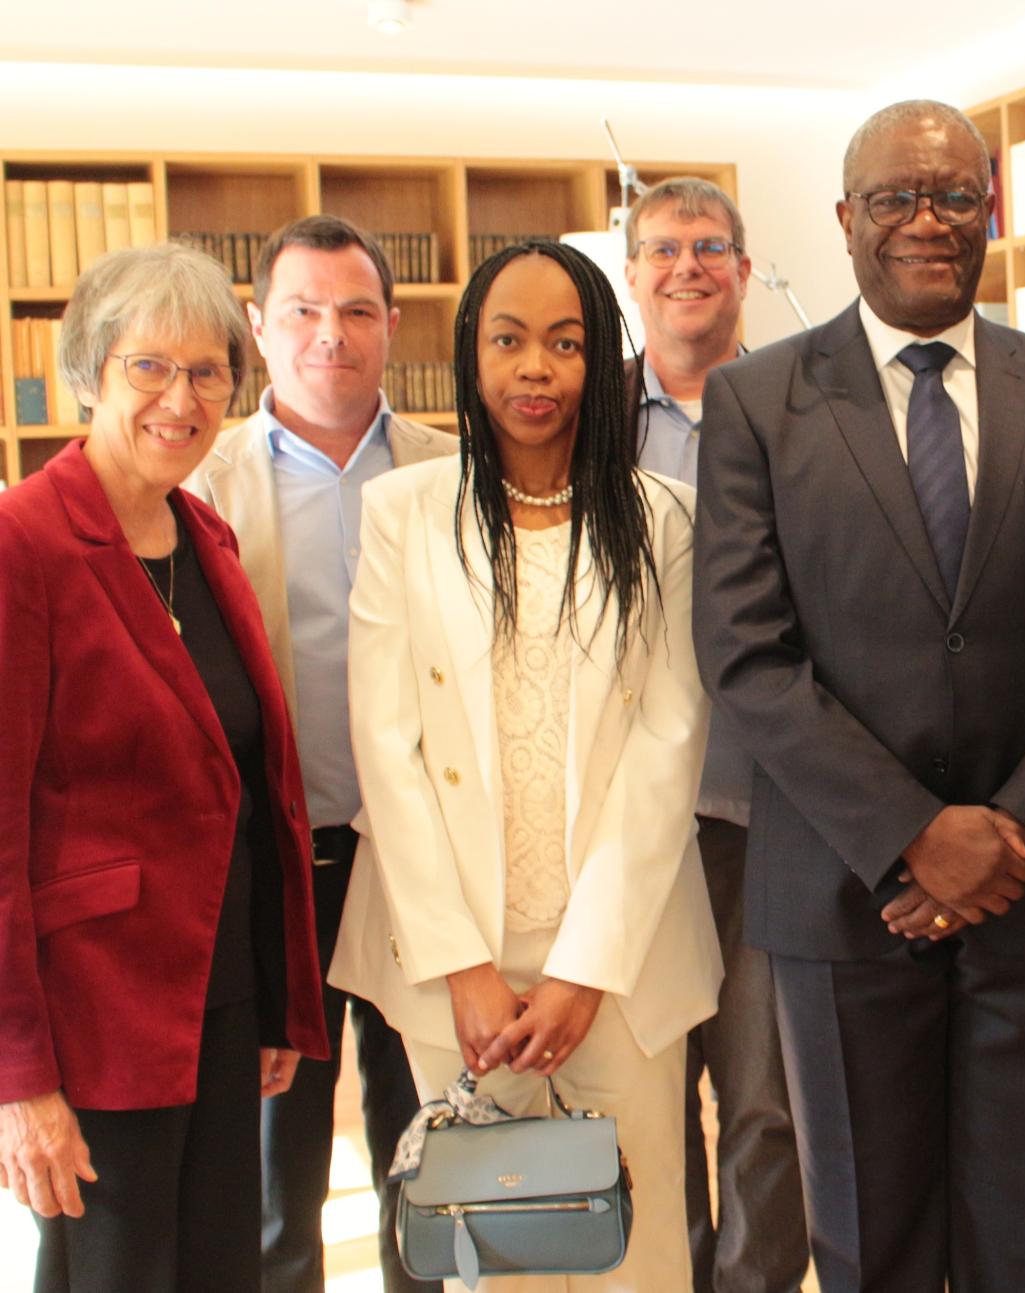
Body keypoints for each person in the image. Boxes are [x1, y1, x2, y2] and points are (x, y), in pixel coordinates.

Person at [692, 100, 1025, 1293]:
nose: (926, 222)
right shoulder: (756, 402)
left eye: (954, 197)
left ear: (991, 216)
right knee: (868, 1241)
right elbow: (747, 651)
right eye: (895, 198)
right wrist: (911, 837)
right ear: (846, 220)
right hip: (845, 899)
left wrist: (1010, 836)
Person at [328, 239, 722, 1291]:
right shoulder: (403, 514)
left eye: (564, 343)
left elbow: (669, 743)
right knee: (489, 1252)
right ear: (469, 354)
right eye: (508, 341)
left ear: (602, 362)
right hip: (449, 962)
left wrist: (585, 967)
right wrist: (460, 964)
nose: (534, 369)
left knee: (630, 1250)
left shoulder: (662, 519)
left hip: (619, 960)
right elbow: (387, 743)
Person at [0, 242, 329, 1290]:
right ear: (90, 372)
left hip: (218, 1001)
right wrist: (18, 1082)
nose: (180, 399)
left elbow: (247, 788)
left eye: (206, 373)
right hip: (94, 1021)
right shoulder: (23, 546)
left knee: (221, 1270)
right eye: (149, 367)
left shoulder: (204, 537)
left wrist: (277, 995)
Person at [182, 213, 456, 1293]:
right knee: (278, 1159)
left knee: (426, 1133)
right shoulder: (203, 482)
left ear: (392, 324)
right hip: (274, 865)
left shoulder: (450, 469)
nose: (327, 335)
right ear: (258, 326)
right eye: (301, 310)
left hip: (418, 858)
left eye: (353, 311)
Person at [621, 177, 808, 1293]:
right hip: (622, 822)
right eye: (661, 249)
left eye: (709, 246)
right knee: (642, 1105)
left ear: (743, 266)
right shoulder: (585, 423)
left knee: (761, 1103)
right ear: (629, 270)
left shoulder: (801, 410)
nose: (686, 267)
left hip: (763, 809)